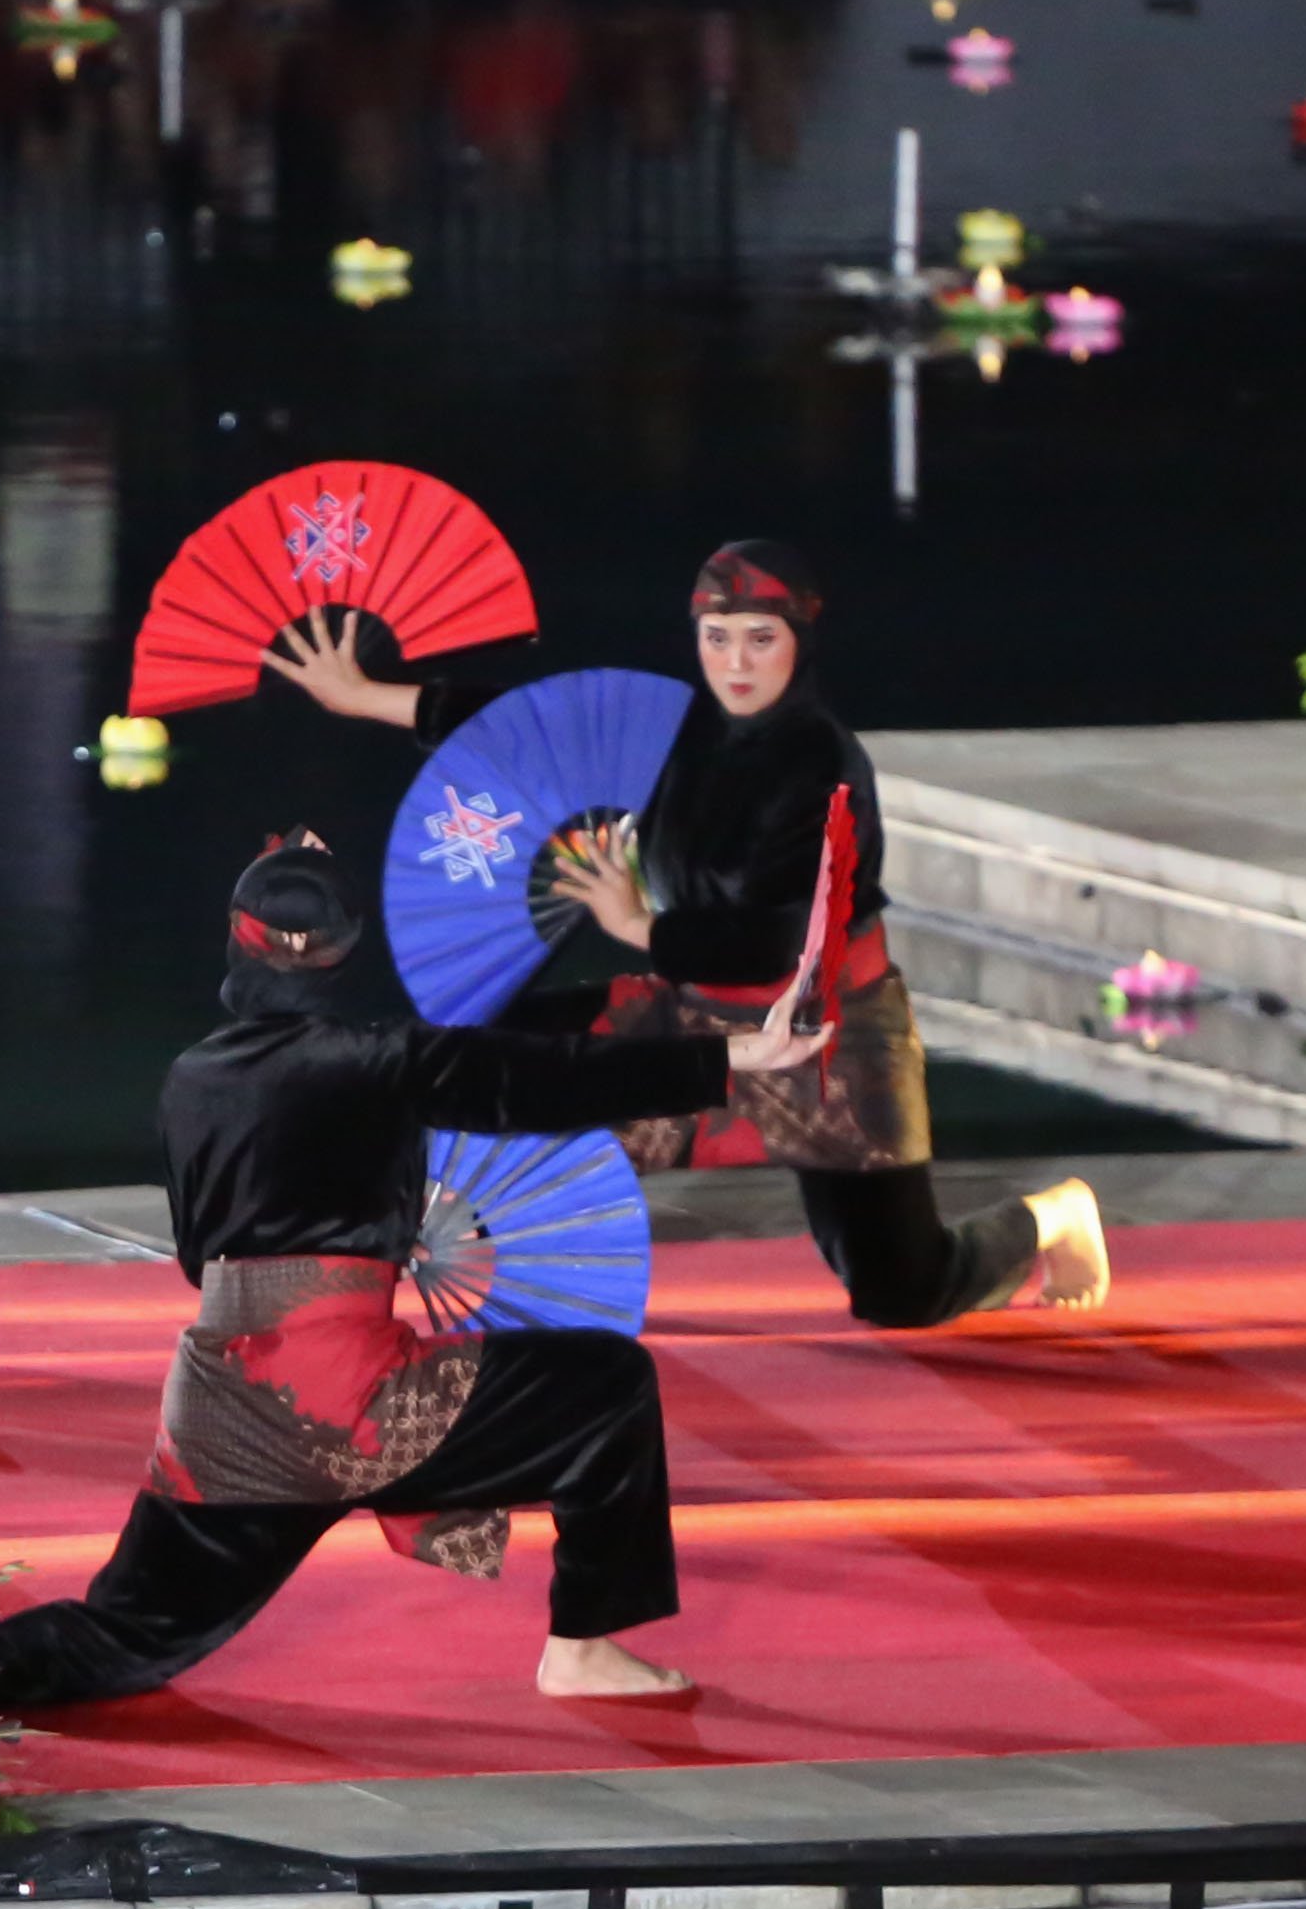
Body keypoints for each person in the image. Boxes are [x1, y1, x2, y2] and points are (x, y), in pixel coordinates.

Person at [0, 834, 829, 1709]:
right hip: (360, 1405)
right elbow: (540, 1078)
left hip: (218, 1411)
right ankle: (582, 1649)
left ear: (238, 939)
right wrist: (735, 1057)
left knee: (119, 1633)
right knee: (609, 1384)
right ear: (345, 951)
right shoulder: (383, 1058)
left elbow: (198, 1256)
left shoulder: (190, 1080)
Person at [265, 536, 1107, 1326]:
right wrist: (364, 696)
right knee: (476, 1056)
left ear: (800, 639)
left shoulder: (823, 763)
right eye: (717, 638)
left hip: (823, 1039)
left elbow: (778, 942)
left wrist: (638, 926)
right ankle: (445, 1254)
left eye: (759, 640)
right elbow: (528, 722)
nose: (736, 663)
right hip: (693, 1020)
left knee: (900, 1290)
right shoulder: (669, 726)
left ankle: (1051, 1220)